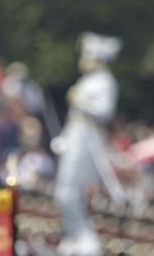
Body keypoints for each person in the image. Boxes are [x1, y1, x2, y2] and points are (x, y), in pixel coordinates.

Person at [52, 32, 122, 256]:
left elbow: (105, 111)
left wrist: (81, 102)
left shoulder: (105, 81)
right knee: (63, 191)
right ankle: (74, 236)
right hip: (75, 135)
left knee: (68, 190)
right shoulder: (86, 80)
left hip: (87, 139)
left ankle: (84, 238)